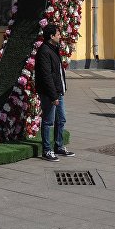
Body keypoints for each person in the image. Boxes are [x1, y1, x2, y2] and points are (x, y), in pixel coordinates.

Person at [35, 24, 75, 161]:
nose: (60, 36)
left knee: (61, 119)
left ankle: (59, 146)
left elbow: (57, 72)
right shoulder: (44, 51)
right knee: (48, 121)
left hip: (58, 92)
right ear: (51, 36)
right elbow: (46, 76)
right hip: (49, 93)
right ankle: (47, 150)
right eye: (58, 34)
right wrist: (53, 96)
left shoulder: (53, 48)